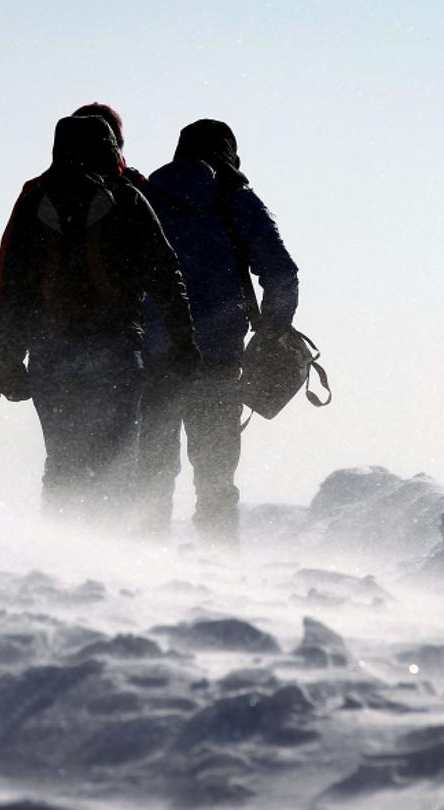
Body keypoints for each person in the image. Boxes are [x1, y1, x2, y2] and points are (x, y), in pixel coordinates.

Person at [0, 114, 199, 520]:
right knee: (115, 458)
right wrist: (183, 341)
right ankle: (104, 552)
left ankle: (61, 547)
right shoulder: (128, 197)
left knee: (63, 460)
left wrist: (3, 357)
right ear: (110, 149)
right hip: (115, 349)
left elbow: (11, 285)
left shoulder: (34, 199)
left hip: (51, 356)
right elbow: (167, 274)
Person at [137, 119, 299, 548]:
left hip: (155, 359)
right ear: (230, 154)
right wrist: (272, 333)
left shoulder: (146, 198)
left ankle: (140, 574)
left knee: (152, 475)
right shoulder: (236, 200)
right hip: (218, 360)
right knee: (215, 479)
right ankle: (219, 572)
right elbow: (282, 274)